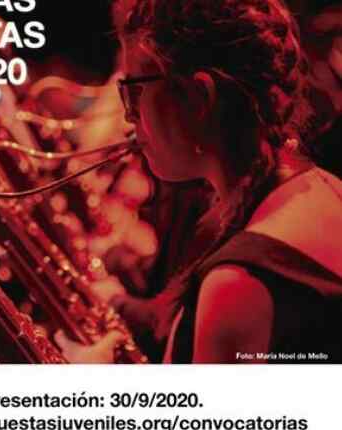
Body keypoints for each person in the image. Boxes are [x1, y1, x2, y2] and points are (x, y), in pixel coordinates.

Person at [55, 0, 342, 363]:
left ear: (199, 96)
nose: (129, 117)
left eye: (134, 91)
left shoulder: (237, 283)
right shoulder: (326, 186)